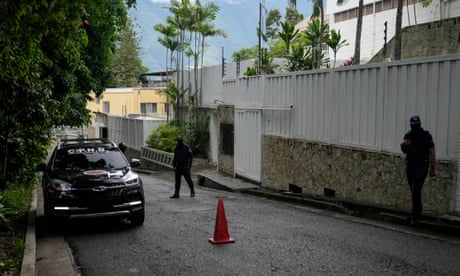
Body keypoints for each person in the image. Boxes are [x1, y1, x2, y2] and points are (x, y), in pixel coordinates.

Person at [400, 115, 436, 225]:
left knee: (416, 189)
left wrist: (432, 168)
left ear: (419, 124)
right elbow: (404, 150)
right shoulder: (408, 136)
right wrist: (403, 144)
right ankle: (417, 211)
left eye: (416, 125)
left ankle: (415, 215)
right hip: (410, 166)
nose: (414, 127)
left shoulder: (426, 136)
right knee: (413, 190)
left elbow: (432, 151)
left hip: (422, 166)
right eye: (413, 125)